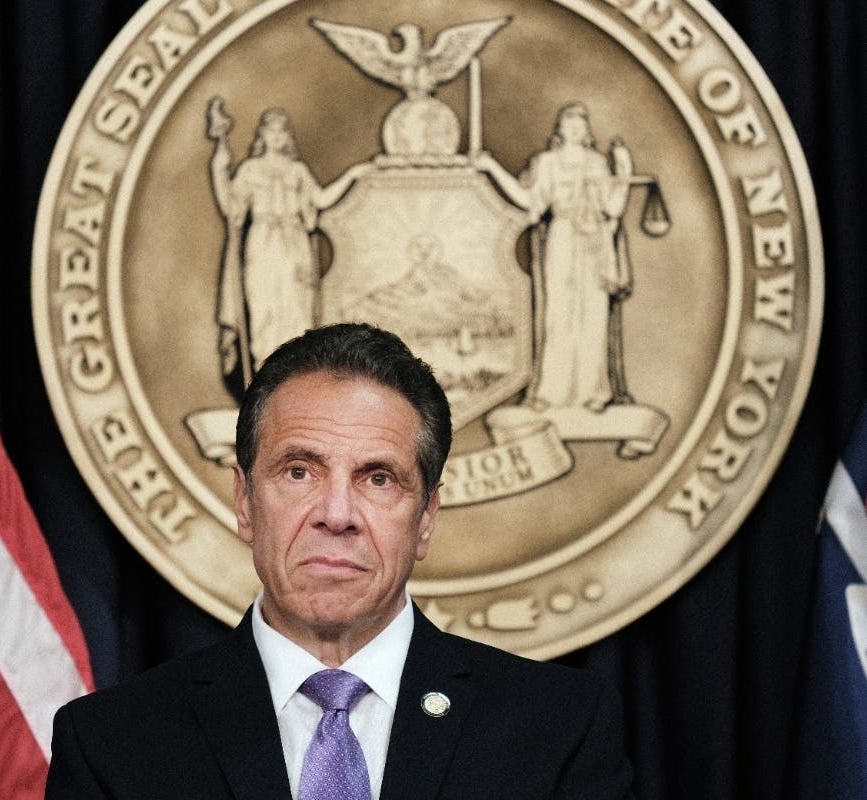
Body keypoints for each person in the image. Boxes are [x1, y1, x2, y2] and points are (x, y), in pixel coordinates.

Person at [45, 323, 634, 799]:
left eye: (378, 479)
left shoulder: (557, 731)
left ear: (426, 516)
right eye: (299, 471)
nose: (336, 513)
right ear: (245, 501)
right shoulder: (113, 745)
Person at [475, 103, 632, 411]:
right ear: (559, 129)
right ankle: (552, 393)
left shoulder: (597, 163)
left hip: (594, 244)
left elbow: (612, 208)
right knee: (558, 315)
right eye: (568, 123)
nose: (574, 128)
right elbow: (528, 200)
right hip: (562, 237)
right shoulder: (546, 163)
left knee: (593, 315)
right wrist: (492, 168)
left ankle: (592, 392)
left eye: (579, 124)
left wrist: (623, 173)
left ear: (586, 131)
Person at [210, 108, 370, 374]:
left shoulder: (297, 171)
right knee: (264, 313)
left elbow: (320, 200)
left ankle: (292, 381)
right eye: (270, 130)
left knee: (296, 313)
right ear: (262, 134)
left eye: (281, 131)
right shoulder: (250, 169)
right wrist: (218, 168)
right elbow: (231, 208)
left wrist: (352, 175)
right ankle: (265, 378)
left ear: (287, 137)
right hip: (262, 245)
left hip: (295, 247)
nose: (276, 136)